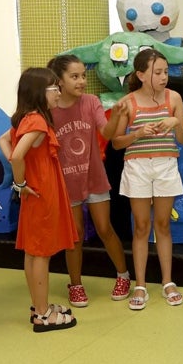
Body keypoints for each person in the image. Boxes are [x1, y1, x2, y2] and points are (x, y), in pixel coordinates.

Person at [106, 48, 183, 311]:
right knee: (141, 226)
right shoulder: (128, 102)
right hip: (137, 167)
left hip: (166, 165)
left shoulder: (173, 98)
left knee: (163, 225)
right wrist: (138, 134)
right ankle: (140, 284)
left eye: (166, 72)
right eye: (158, 72)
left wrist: (176, 122)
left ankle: (167, 281)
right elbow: (116, 143)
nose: (164, 77)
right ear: (141, 75)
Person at [46, 54, 131, 308]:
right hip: (66, 181)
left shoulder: (91, 102)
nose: (82, 81)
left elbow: (106, 132)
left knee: (104, 228)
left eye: (83, 75)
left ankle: (123, 276)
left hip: (93, 176)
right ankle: (76, 284)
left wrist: (115, 114)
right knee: (75, 235)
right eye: (74, 76)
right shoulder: (50, 108)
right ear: (58, 81)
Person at [1, 68, 79, 331]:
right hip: (41, 193)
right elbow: (16, 156)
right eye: (54, 88)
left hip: (36, 192)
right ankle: (44, 315)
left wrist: (23, 181)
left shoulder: (24, 118)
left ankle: (39, 305)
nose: (58, 93)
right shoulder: (37, 121)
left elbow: (3, 141)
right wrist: (20, 182)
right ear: (38, 92)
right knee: (41, 254)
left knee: (33, 252)